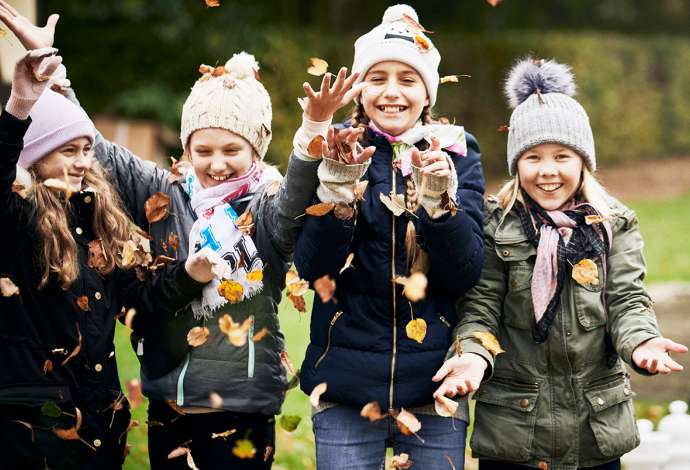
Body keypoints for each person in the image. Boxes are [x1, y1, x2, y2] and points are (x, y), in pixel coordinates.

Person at [442, 56, 688, 469]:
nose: (548, 171)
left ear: (583, 162)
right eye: (533, 157)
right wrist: (473, 355)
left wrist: (641, 342)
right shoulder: (494, 225)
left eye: (562, 156)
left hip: (594, 429)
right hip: (514, 429)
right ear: (515, 163)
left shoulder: (614, 224)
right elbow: (480, 306)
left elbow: (626, 299)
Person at [0, 48, 214, 470]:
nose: (82, 161)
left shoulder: (94, 217)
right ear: (34, 154)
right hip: (36, 429)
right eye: (67, 150)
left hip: (99, 421)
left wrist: (189, 275)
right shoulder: (14, 219)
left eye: (85, 149)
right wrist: (21, 105)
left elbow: (135, 302)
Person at [292, 4, 486, 468]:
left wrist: (440, 204)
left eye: (408, 78)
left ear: (427, 92)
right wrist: (338, 190)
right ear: (359, 89)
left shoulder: (456, 152)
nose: (392, 91)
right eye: (378, 78)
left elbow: (465, 273)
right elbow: (313, 269)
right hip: (344, 387)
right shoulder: (338, 147)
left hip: (435, 385)